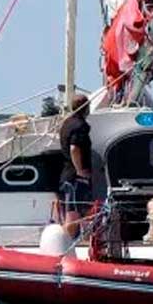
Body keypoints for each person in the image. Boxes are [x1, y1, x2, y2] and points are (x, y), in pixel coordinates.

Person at [59, 94, 93, 239]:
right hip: (75, 177)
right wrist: (80, 170)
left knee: (75, 210)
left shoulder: (66, 123)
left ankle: (75, 240)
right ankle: (69, 243)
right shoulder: (80, 126)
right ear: (85, 108)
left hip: (67, 174)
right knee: (73, 212)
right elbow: (74, 148)